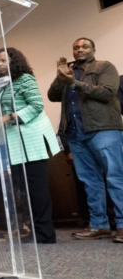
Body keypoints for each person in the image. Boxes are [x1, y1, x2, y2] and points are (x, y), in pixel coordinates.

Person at [48, 37, 123, 243]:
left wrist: (74, 82)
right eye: (76, 47)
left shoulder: (105, 66)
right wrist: (60, 77)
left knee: (116, 177)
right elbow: (52, 96)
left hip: (103, 129)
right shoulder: (69, 71)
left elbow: (107, 93)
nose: (80, 49)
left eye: (84, 46)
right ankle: (99, 225)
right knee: (90, 181)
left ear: (93, 50)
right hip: (75, 133)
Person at [0, 47, 59, 244]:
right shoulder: (3, 84)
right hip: (16, 143)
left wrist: (9, 117)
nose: (0, 64)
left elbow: (37, 106)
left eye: (5, 60)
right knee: (27, 190)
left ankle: (45, 233)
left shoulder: (25, 79)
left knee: (37, 190)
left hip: (31, 140)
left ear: (16, 62)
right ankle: (37, 231)